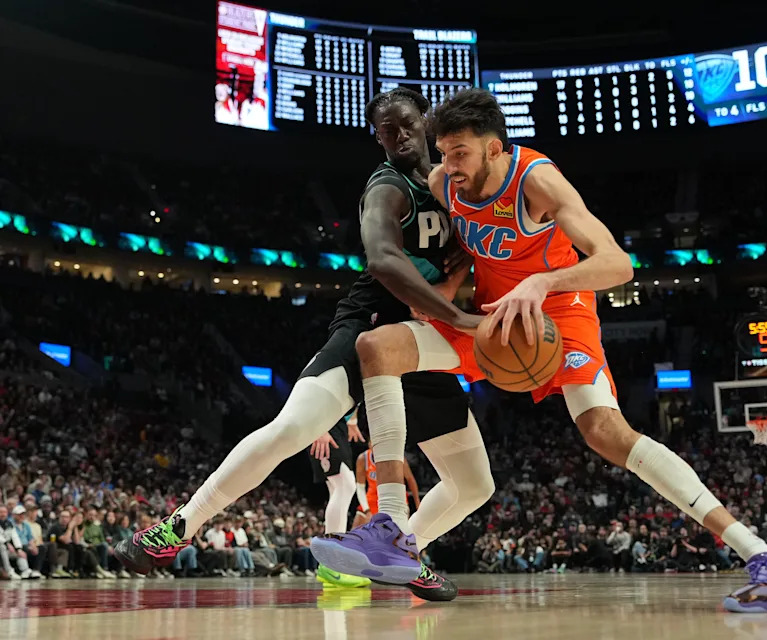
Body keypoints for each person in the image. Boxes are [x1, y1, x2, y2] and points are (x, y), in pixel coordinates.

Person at [310, 87, 767, 614]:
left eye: (459, 153)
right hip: (492, 319)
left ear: (495, 148)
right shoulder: (445, 181)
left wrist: (542, 282)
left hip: (559, 314)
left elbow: (618, 266)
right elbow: (461, 247)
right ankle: (390, 529)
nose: (447, 166)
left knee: (604, 431)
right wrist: (442, 298)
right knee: (377, 346)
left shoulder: (536, 180)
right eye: (442, 153)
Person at [114, 88, 496, 603]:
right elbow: (383, 258)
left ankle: (401, 550)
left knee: (474, 485)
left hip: (422, 340)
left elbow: (468, 255)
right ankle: (176, 527)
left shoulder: (456, 183)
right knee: (292, 428)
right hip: (371, 324)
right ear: (378, 139)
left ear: (425, 120)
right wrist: (455, 313)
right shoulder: (387, 186)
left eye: (407, 124)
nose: (401, 136)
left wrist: (450, 293)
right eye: (388, 131)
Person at [306, 412, 371, 587]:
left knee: (337, 487)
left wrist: (353, 420)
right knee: (345, 485)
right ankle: (332, 564)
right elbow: (311, 387)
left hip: (337, 423)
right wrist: (320, 427)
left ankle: (333, 568)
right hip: (324, 423)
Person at [352, 439, 421, 528]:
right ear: (369, 444)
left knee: (394, 536)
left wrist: (417, 504)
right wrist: (367, 510)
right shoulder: (363, 458)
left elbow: (410, 479)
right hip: (372, 500)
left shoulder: (396, 457)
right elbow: (360, 487)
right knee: (354, 534)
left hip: (395, 500)